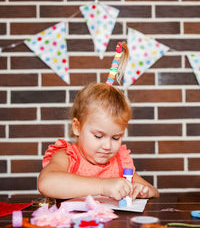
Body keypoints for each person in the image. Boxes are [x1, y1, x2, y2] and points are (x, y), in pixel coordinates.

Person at [38, 43, 159, 201]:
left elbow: (154, 191)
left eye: (116, 137)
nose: (108, 146)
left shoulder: (120, 163)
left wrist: (144, 190)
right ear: (77, 127)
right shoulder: (67, 157)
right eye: (98, 136)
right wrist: (103, 186)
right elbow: (46, 183)